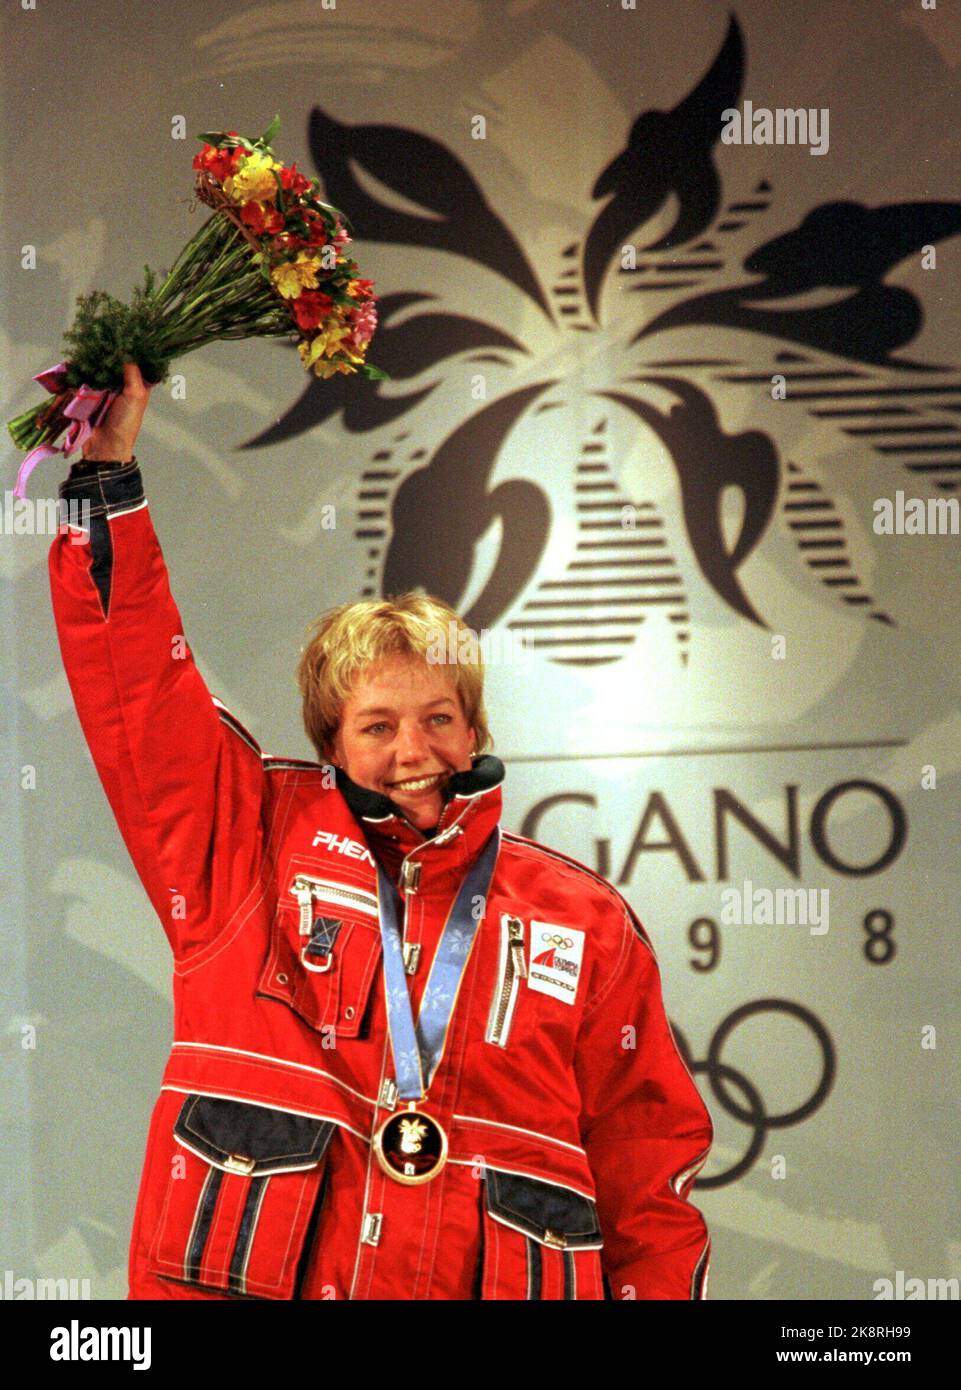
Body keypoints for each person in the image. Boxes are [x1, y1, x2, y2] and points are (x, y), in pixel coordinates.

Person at [49, 363, 714, 1300]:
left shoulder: (585, 921)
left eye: (439, 718)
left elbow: (648, 1183)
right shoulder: (245, 843)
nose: (415, 750)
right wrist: (107, 485)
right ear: (330, 741)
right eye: (378, 725)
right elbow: (138, 696)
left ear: (474, 729)